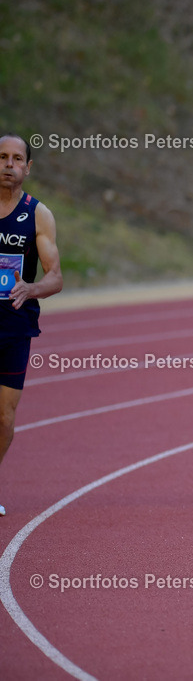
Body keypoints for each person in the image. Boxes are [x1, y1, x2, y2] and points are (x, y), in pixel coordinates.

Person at [0, 133, 64, 517]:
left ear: (28, 166)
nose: (8, 164)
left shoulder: (37, 213)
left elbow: (55, 277)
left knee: (5, 416)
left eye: (16, 158)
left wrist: (32, 288)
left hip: (14, 328)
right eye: (2, 157)